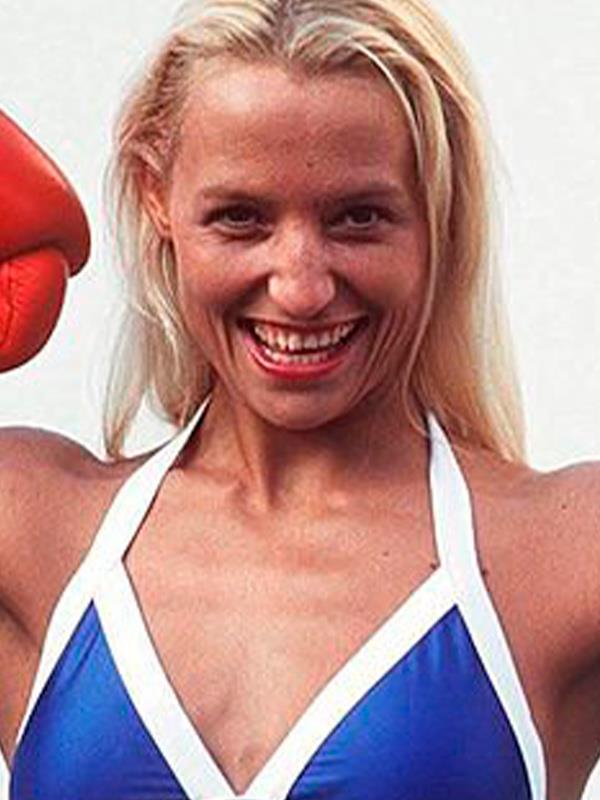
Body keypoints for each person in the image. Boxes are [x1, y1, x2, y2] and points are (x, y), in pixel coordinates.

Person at [0, 1, 598, 798]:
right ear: (155, 195)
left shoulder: (565, 557)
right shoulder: (30, 528)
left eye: (359, 219)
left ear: (439, 213)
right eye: (240, 219)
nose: (301, 288)